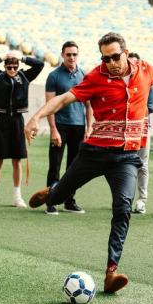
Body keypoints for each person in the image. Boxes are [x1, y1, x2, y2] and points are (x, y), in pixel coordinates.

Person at [24, 33, 153, 294]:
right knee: (60, 196)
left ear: (125, 52)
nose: (111, 62)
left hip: (125, 158)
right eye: (105, 58)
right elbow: (64, 98)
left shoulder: (145, 69)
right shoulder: (96, 77)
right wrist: (36, 117)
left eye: (115, 56)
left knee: (123, 207)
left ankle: (111, 272)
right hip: (94, 153)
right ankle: (51, 193)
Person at [0, 53, 44, 208]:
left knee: (17, 160)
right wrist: (1, 58)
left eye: (15, 67)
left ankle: (17, 196)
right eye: (9, 67)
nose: (12, 70)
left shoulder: (25, 76)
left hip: (18, 120)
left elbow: (40, 64)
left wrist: (22, 58)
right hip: (2, 119)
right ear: (5, 67)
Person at [45, 41, 92, 215]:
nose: (72, 57)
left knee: (74, 168)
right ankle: (50, 200)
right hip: (60, 126)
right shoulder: (53, 76)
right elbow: (50, 105)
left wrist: (89, 128)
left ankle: (69, 201)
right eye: (68, 54)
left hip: (79, 127)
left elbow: (89, 106)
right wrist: (53, 130)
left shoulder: (85, 76)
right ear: (62, 55)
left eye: (74, 54)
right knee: (55, 165)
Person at [128, 52, 153, 215]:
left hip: (142, 129)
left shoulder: (147, 82)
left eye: (135, 63)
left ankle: (141, 201)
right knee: (124, 165)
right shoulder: (121, 83)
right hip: (124, 130)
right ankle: (125, 198)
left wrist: (133, 108)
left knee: (142, 165)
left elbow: (150, 106)